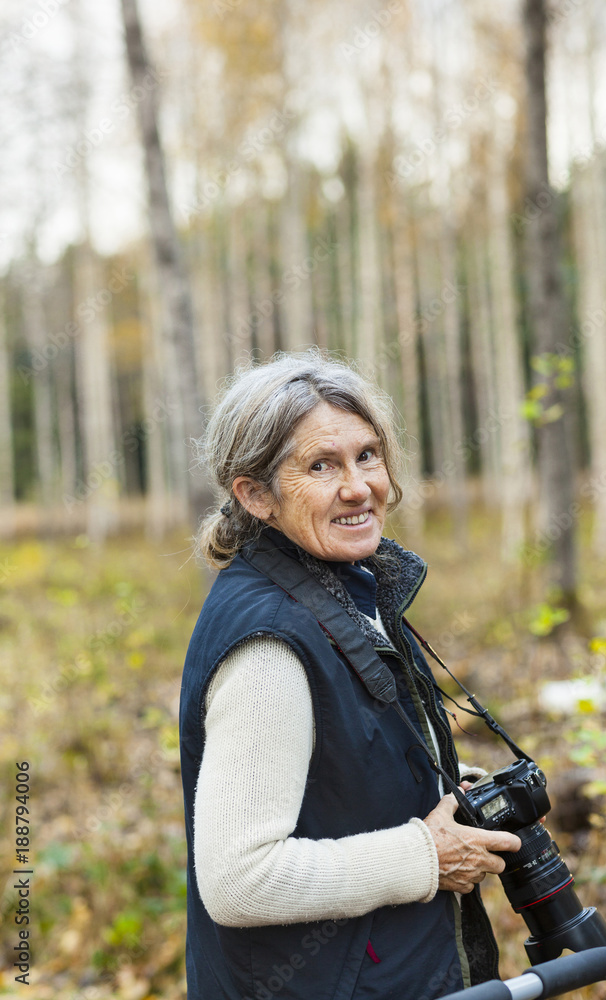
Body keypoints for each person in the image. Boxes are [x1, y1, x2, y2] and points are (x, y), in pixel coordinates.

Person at [180, 351, 521, 1000]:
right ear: (255, 496)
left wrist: (441, 790)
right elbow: (238, 879)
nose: (359, 486)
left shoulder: (341, 589)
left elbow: (337, 774)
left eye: (367, 455)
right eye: (320, 466)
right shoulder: (269, 645)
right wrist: (427, 855)